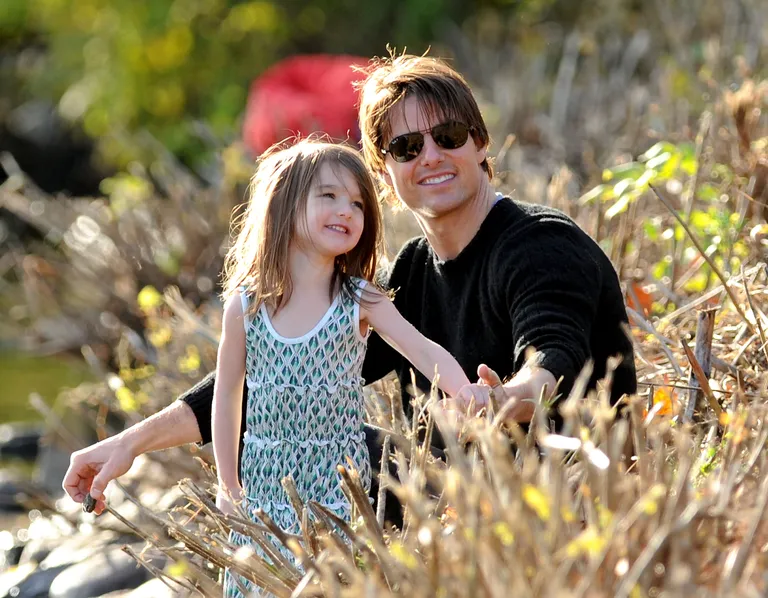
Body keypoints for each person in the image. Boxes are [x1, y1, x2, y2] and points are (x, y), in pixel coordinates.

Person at [63, 53, 637, 523]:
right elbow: (265, 373)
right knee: (284, 435)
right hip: (449, 494)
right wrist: (129, 444)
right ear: (383, 173)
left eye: (449, 135)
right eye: (406, 147)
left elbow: (553, 357)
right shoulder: (413, 271)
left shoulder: (540, 245)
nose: (430, 156)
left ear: (482, 144)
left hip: (563, 496)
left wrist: (499, 399)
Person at [212, 138, 479, 596]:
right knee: (260, 584)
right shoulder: (246, 306)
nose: (346, 211)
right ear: (283, 205)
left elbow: (422, 349)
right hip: (262, 484)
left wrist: (466, 391)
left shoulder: (359, 298)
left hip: (338, 483)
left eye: (357, 203)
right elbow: (226, 396)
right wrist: (227, 483)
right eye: (329, 197)